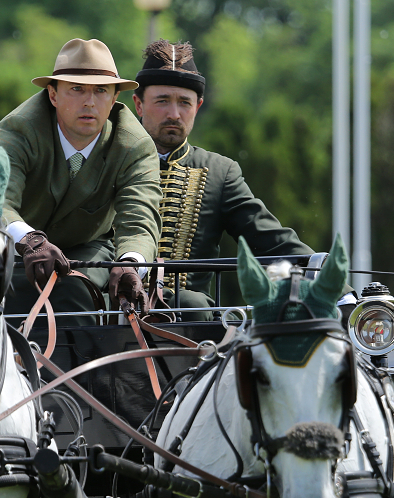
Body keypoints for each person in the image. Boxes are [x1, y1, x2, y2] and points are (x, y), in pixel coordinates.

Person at [132, 40, 355, 321]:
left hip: (188, 321)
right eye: (162, 101)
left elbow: (271, 242)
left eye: (184, 102)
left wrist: (339, 292)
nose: (174, 114)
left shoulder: (218, 171)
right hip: (107, 310)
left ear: (198, 106)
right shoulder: (109, 161)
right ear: (138, 104)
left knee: (191, 304)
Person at [0, 38, 162, 325]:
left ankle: (71, 371)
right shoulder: (17, 131)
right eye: (76, 89)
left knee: (76, 291)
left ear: (114, 99)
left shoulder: (134, 145)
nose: (89, 101)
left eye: (101, 91)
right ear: (52, 95)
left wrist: (130, 264)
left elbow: (139, 218)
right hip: (14, 247)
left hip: (88, 248)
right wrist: (29, 240)